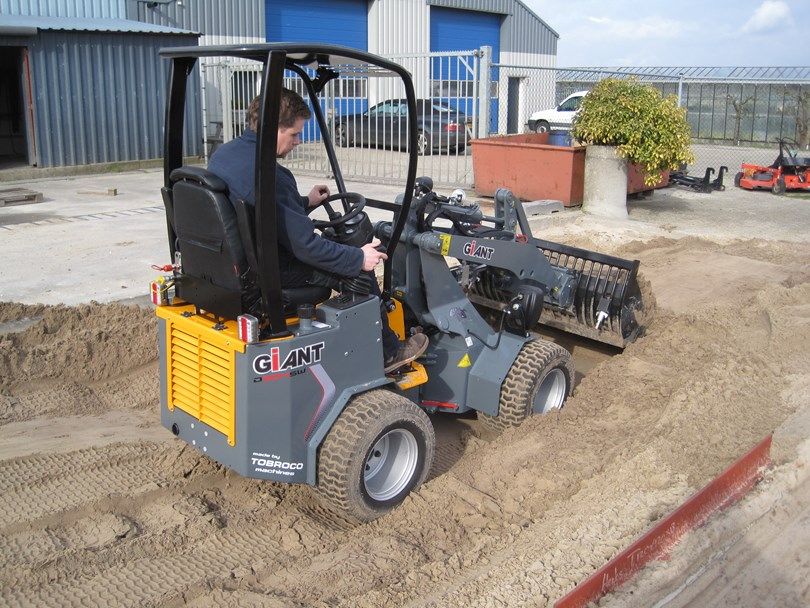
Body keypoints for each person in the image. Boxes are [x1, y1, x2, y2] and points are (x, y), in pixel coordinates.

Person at [208, 89, 427, 373]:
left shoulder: (224, 155)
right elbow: (306, 246)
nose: (298, 142)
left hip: (232, 266)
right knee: (358, 271)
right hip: (271, 270)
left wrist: (305, 202)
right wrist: (358, 258)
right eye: (294, 134)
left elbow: (260, 210)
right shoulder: (272, 175)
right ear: (272, 128)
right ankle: (388, 351)